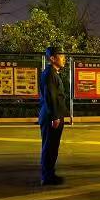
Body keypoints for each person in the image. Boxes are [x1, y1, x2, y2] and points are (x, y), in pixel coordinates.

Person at [38, 46, 69, 186]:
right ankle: (47, 177)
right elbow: (50, 96)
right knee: (49, 147)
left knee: (52, 147)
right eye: (61, 56)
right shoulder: (49, 74)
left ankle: (50, 174)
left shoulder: (52, 73)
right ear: (52, 58)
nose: (64, 59)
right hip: (51, 116)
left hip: (53, 114)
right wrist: (55, 117)